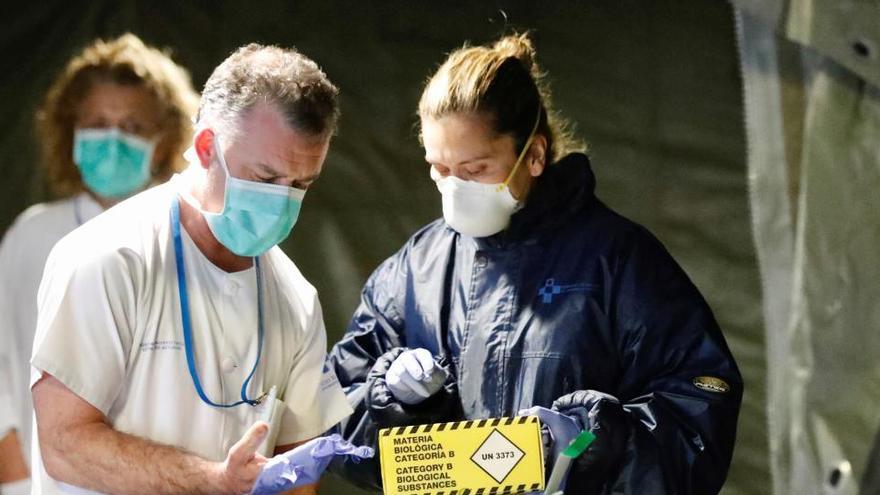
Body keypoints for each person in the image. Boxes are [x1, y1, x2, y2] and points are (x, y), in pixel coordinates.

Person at [328, 33, 743, 494]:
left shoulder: (616, 262)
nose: (453, 188)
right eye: (439, 169)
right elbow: (333, 418)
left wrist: (598, 441)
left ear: (535, 155)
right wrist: (391, 402)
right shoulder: (414, 271)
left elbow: (700, 408)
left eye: (475, 169)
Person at [29, 42, 352, 494]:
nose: (282, 201)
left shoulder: (295, 297)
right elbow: (64, 443)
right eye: (264, 178)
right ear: (205, 147)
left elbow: (296, 470)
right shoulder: (109, 257)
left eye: (301, 184)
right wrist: (213, 481)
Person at [0, 33, 198, 495]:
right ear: (70, 129)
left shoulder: (187, 237)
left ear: (165, 137)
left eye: (131, 126)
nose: (113, 138)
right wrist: (13, 470)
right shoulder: (33, 235)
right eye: (97, 122)